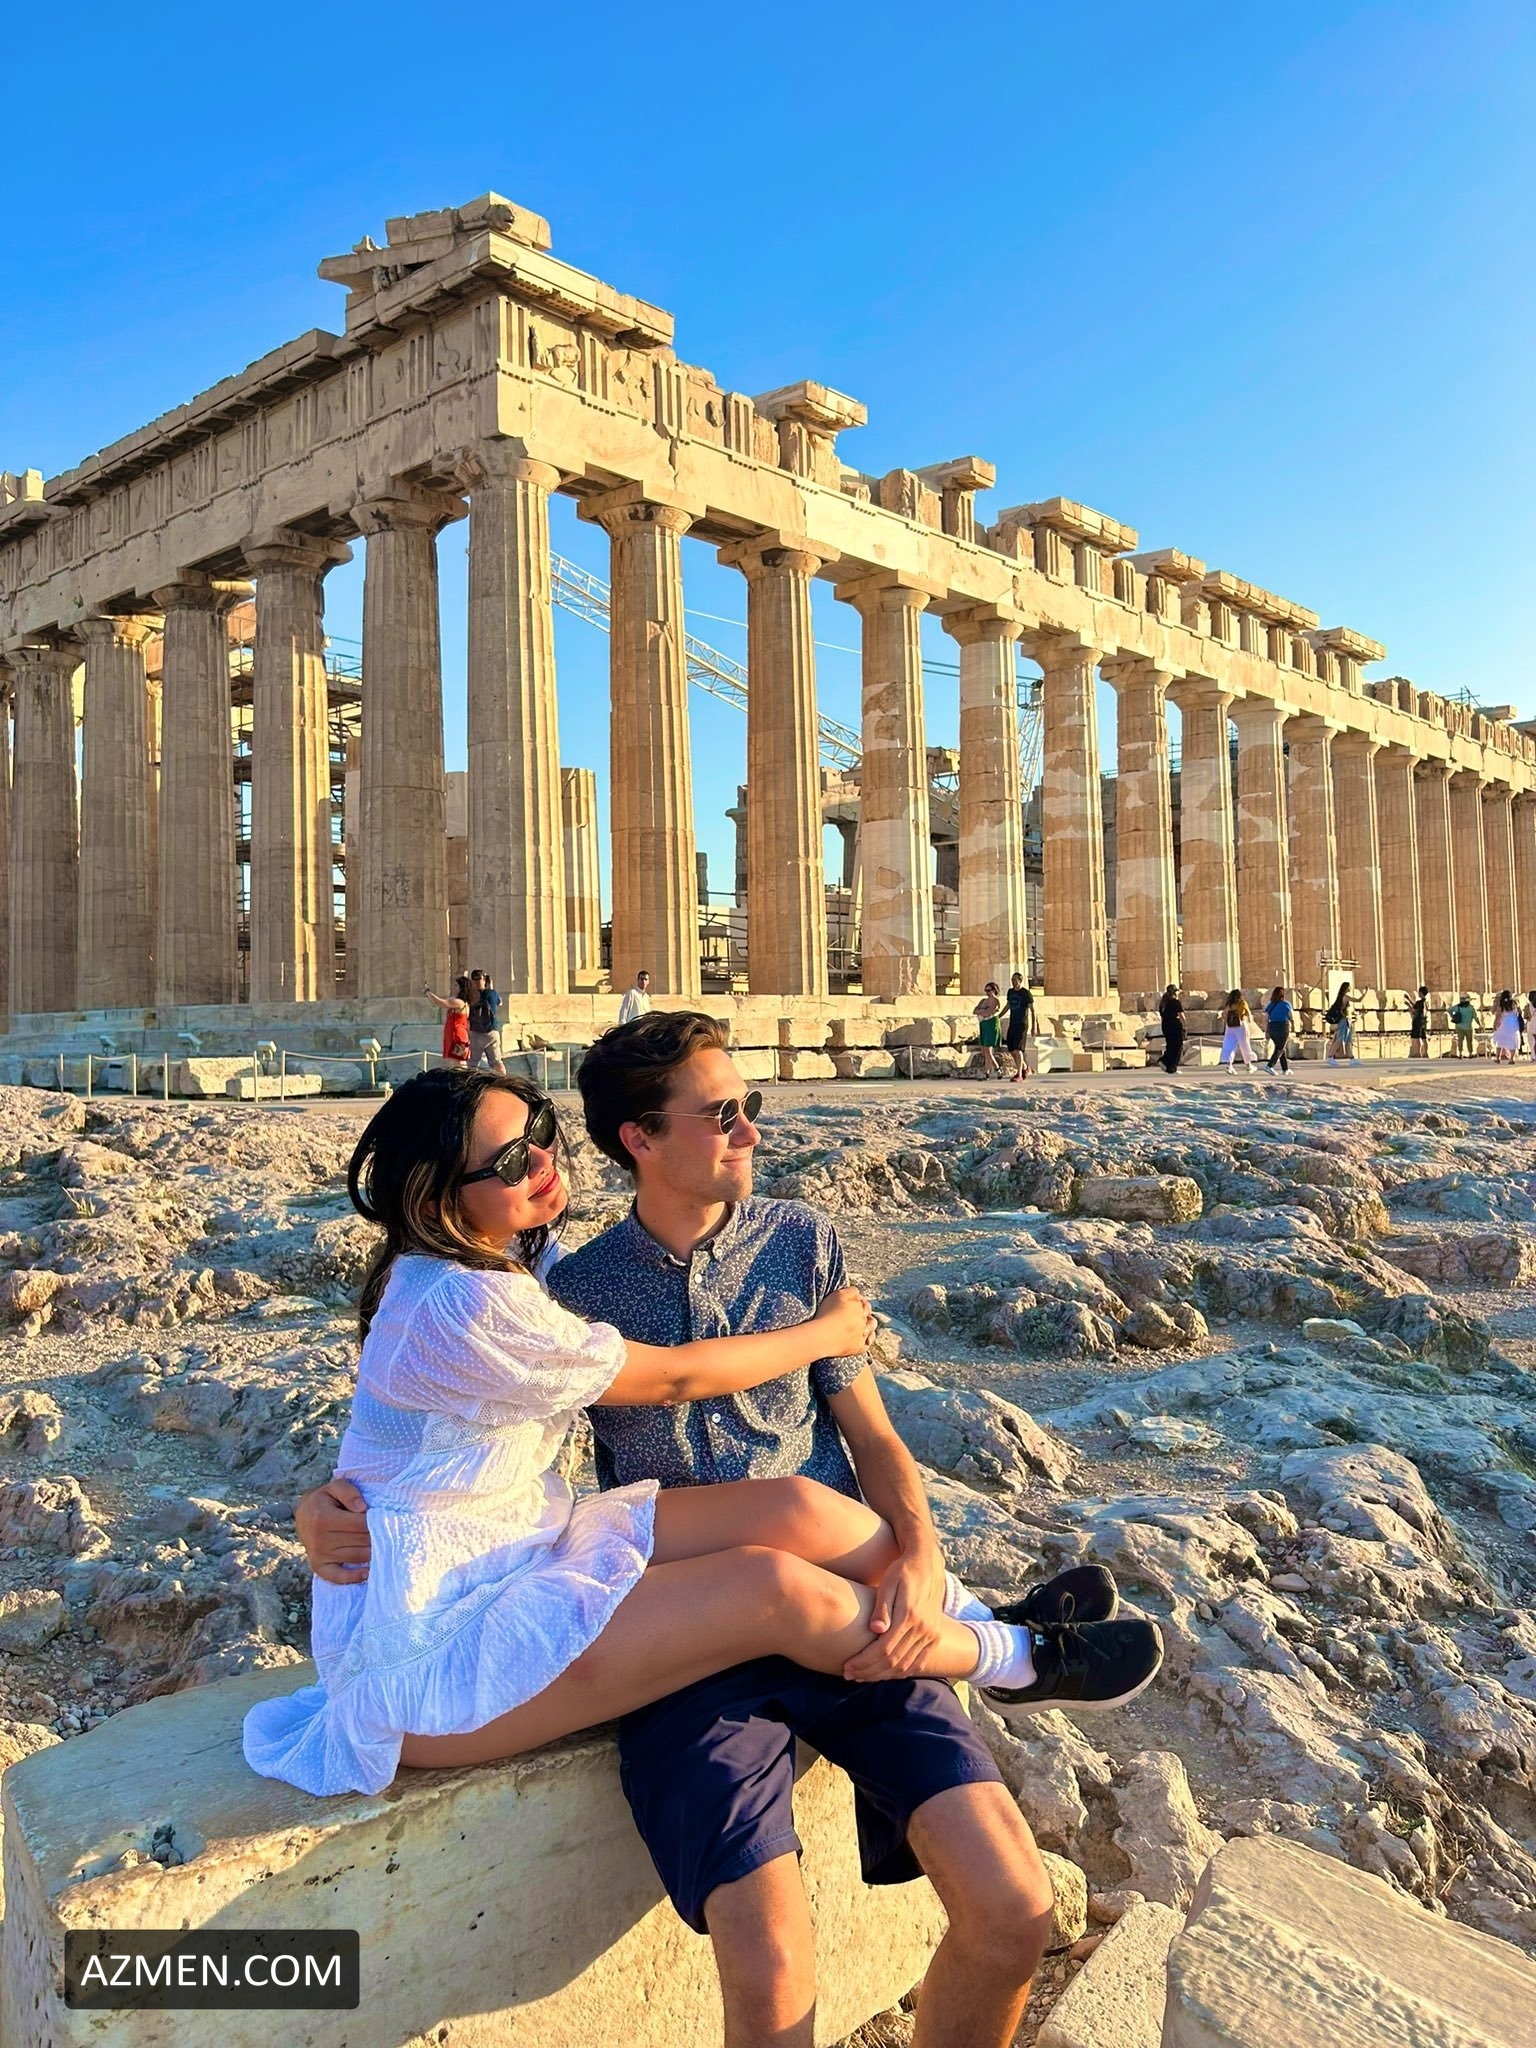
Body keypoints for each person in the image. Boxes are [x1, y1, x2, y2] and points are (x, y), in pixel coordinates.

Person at [294, 1017, 1163, 2048]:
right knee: (773, 1956)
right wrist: (323, 1510)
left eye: (541, 1135)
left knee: (1011, 1900)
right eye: (722, 1114)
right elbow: (622, 1385)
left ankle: (987, 1626)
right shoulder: (560, 1292)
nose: (751, 1130)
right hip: (608, 1629)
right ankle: (999, 1650)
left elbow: (871, 1430)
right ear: (640, 1138)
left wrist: (923, 1551)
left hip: (764, 1574)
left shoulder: (783, 1243)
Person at [467, 970, 506, 1074]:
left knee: (472, 1063)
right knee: (497, 1062)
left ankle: (471, 1082)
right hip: (491, 1031)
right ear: (484, 980)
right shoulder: (492, 993)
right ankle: (503, 1080)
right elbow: (500, 1002)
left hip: (475, 1032)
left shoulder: (470, 995)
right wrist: (490, 987)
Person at [423, 984, 470, 1066]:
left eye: (457, 986)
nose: (454, 987)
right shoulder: (461, 1002)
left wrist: (427, 991)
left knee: (457, 1061)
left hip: (457, 1035)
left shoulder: (459, 1002)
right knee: (456, 1061)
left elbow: (439, 1002)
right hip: (454, 1033)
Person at [1003, 971, 1035, 1081]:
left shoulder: (1025, 993)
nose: (1013, 982)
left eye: (1015, 980)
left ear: (1020, 981)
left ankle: (1019, 1074)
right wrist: (999, 1016)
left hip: (1022, 1023)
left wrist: (1034, 1026)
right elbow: (1008, 1005)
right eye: (1012, 980)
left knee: (1018, 1049)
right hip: (1012, 1022)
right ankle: (1025, 1067)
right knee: (1011, 1049)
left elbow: (1033, 1010)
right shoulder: (1010, 992)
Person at [1219, 988, 1255, 1072]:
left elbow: (1224, 1014)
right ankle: (1249, 1065)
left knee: (1230, 1045)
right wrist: (1250, 1021)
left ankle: (1229, 1065)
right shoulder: (1242, 1003)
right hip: (1241, 1026)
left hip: (1230, 1026)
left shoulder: (1229, 1004)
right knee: (1244, 1045)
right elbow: (1248, 1013)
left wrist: (1227, 1020)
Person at [972, 982, 1003, 1078]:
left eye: (989, 990)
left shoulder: (995, 1001)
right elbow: (974, 1011)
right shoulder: (983, 1001)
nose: (987, 992)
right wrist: (982, 1011)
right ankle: (996, 1069)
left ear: (994, 990)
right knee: (984, 1050)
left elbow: (989, 1013)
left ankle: (988, 1072)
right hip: (983, 1024)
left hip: (991, 1024)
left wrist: (981, 1012)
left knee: (988, 1049)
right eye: (986, 990)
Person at [1324, 981, 1358, 1064]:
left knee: (1348, 1041)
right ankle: (1330, 1057)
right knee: (1340, 1040)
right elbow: (1358, 1000)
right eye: (1349, 987)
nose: (1350, 988)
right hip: (1343, 1021)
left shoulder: (1342, 997)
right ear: (1346, 988)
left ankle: (1352, 1059)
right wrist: (1365, 993)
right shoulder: (1345, 997)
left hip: (1348, 1021)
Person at [1264, 984, 1294, 1074]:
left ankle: (1285, 1069)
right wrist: (1293, 1024)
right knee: (1280, 1047)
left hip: (1272, 1026)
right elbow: (1290, 1015)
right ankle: (1270, 1065)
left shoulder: (1271, 1005)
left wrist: (1266, 1031)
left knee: (1281, 1047)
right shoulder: (1286, 1004)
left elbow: (1266, 1019)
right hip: (1282, 1026)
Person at [1158, 984, 1184, 1075]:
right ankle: (1172, 1067)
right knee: (1177, 1046)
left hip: (1165, 1025)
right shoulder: (1175, 1002)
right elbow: (1181, 1016)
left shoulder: (1163, 1003)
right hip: (1174, 1025)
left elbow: (1162, 1016)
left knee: (1170, 1045)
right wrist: (1185, 1026)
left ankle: (1166, 1062)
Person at [1492, 989, 1521, 1062]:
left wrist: (1495, 1025)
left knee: (1500, 1041)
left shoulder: (1501, 1005)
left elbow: (1497, 1017)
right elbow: (1519, 1012)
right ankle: (1511, 1059)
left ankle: (1498, 1058)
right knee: (1513, 1042)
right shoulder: (1515, 1004)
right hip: (1513, 1025)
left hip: (1504, 1025)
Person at [1450, 992, 1478, 1057]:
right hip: (1468, 1027)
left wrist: (1454, 1016)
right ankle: (1470, 1053)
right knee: (1469, 1041)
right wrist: (1479, 1024)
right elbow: (1475, 1017)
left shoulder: (1457, 1007)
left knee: (1460, 1040)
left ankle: (1460, 1053)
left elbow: (1451, 1011)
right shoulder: (1471, 1008)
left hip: (1459, 1027)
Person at [1409, 985, 1430, 1059]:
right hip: (1423, 1021)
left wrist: (1408, 1005)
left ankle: (1418, 1052)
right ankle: (1425, 1053)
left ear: (1421, 993)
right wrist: (1409, 1000)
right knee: (1424, 1038)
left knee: (1417, 1038)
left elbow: (1413, 1009)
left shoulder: (1419, 1002)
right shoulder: (1425, 1002)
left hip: (1418, 1021)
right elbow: (1416, 1006)